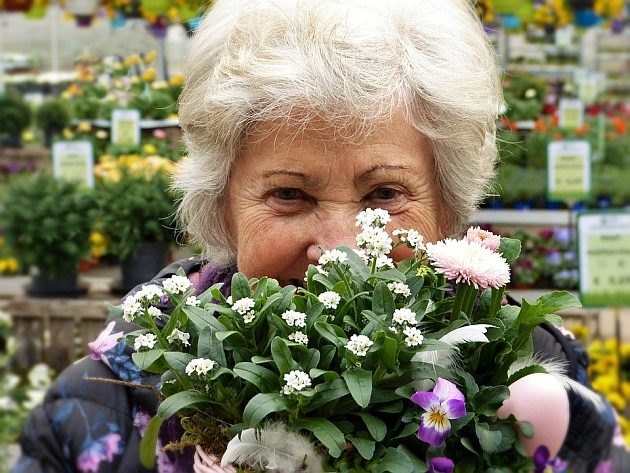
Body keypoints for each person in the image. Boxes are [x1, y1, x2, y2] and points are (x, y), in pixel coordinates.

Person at [12, 0, 621, 472]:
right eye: (289, 195)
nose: (339, 250)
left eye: (384, 194)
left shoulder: (530, 386)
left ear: (448, 209)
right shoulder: (104, 403)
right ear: (221, 206)